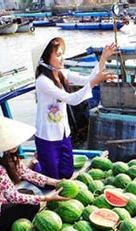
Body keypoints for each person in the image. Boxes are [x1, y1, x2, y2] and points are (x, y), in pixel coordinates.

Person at [31, 37, 117, 180]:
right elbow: (72, 99)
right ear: (45, 58)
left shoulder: (62, 73)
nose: (62, 58)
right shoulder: (42, 82)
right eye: (58, 55)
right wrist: (96, 81)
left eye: (62, 54)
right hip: (47, 136)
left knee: (67, 173)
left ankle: (40, 161)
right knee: (52, 179)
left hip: (62, 132)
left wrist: (103, 58)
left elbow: (87, 80)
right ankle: (36, 164)